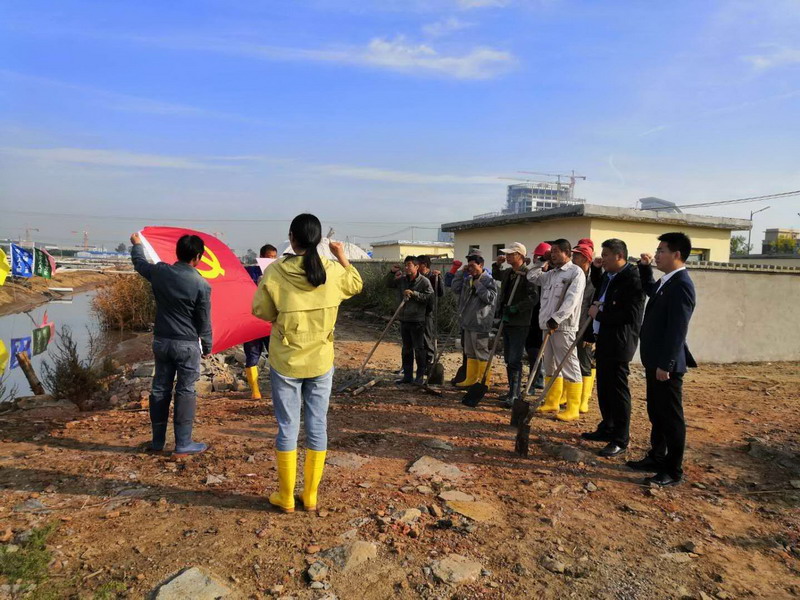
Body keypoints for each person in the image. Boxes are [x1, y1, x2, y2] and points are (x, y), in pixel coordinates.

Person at [252, 214, 363, 513]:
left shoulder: (275, 271)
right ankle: (310, 495)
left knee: (287, 426)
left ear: (292, 237)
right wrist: (341, 255)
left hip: (286, 359)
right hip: (321, 359)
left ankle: (286, 496)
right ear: (318, 240)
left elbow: (261, 311)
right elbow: (356, 284)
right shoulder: (332, 270)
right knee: (317, 425)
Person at [130, 232, 212, 456]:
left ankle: (157, 441)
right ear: (198, 257)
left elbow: (139, 263)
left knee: (159, 389)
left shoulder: (160, 272)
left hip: (162, 342)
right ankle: (183, 443)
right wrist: (207, 345)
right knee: (185, 390)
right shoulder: (201, 284)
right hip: (187, 345)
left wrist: (137, 244)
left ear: (177, 252)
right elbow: (203, 320)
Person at [627, 232, 697, 486]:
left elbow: (678, 329)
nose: (657, 255)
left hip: (666, 365)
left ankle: (673, 470)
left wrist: (666, 364)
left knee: (671, 417)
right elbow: (650, 289)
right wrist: (645, 269)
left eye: (661, 251)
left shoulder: (682, 285)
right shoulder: (668, 281)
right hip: (655, 360)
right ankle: (656, 457)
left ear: (676, 254)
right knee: (656, 412)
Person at [583, 239, 644, 457]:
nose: (603, 258)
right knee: (604, 387)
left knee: (617, 391)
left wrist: (599, 315)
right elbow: (600, 291)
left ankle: (620, 438)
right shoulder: (609, 276)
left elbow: (630, 315)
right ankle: (607, 427)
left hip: (620, 342)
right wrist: (596, 269)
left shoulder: (632, 279)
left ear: (619, 256)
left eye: (606, 254)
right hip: (604, 339)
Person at [526, 239, 585, 420]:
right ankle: (552, 401)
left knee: (568, 364)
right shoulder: (551, 274)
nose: (553, 254)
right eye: (551, 252)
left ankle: (573, 408)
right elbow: (531, 277)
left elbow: (571, 300)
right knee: (549, 363)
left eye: (556, 251)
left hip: (563, 326)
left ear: (567, 252)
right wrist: (540, 261)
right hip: (547, 324)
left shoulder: (575, 273)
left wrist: (557, 318)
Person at [491, 243, 535, 409]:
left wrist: (517, 308)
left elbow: (533, 298)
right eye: (507, 254)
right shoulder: (509, 273)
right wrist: (497, 264)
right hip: (507, 320)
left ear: (520, 256)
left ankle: (515, 394)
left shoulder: (528, 274)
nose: (508, 257)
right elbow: (496, 275)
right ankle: (511, 391)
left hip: (520, 322)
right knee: (508, 358)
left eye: (511, 254)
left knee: (515, 359)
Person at [450, 253, 498, 387]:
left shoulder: (489, 281)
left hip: (480, 324)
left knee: (481, 352)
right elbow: (455, 288)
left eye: (473, 266)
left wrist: (478, 285)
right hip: (467, 322)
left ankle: (483, 382)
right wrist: (461, 273)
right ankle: (470, 379)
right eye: (468, 266)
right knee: (470, 353)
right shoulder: (468, 280)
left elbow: (491, 298)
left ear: (481, 265)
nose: (470, 269)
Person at [386, 256, 434, 385]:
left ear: (416, 267)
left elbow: (430, 298)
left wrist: (414, 294)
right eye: (405, 265)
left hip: (417, 320)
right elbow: (388, 284)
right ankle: (407, 376)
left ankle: (419, 377)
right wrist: (391, 272)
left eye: (409, 265)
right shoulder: (402, 280)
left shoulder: (424, 282)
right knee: (406, 349)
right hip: (404, 319)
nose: (406, 268)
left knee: (419, 349)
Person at [562, 242, 596, 420]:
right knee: (569, 361)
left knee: (584, 362)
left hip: (585, 326)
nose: (573, 258)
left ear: (585, 259)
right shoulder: (573, 275)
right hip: (570, 324)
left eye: (577, 255)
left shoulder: (594, 281)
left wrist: (591, 334)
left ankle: (583, 400)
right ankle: (568, 396)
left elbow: (594, 308)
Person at [242, 244, 277, 399]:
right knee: (252, 355)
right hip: (251, 321)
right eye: (269, 257)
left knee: (275, 355)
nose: (272, 260)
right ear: (261, 257)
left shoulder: (278, 273)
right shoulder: (250, 272)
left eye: (274, 257)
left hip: (270, 322)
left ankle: (278, 388)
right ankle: (255, 390)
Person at [524, 242, 550, 394]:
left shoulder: (552, 275)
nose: (537, 261)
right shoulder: (535, 274)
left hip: (546, 318)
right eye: (536, 258)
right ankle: (537, 379)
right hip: (533, 318)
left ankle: (536, 382)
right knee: (532, 349)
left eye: (540, 258)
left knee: (538, 351)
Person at [417, 255, 445, 373]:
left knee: (427, 339)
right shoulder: (415, 277)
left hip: (427, 312)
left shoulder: (433, 277)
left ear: (424, 265)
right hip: (415, 312)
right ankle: (420, 365)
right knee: (417, 341)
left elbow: (440, 293)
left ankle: (429, 364)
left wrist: (439, 279)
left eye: (418, 264)